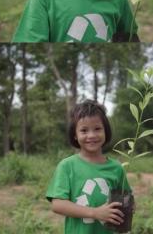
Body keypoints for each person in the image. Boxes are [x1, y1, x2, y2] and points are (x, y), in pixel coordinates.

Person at [46, 100, 133, 233]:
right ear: (75, 135)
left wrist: (129, 206)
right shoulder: (67, 166)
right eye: (84, 130)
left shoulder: (116, 168)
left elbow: (126, 198)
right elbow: (58, 205)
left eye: (97, 129)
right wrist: (95, 213)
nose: (91, 135)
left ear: (106, 131)